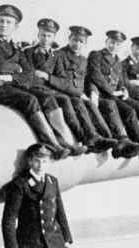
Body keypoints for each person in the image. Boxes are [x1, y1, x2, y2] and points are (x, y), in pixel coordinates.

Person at [0, 5, 70, 159]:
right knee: (29, 99)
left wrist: (10, 76)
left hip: (9, 86)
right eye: (1, 21)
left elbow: (30, 75)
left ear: (16, 26)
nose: (4, 25)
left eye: (8, 22)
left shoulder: (16, 48)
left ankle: (62, 139)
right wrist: (18, 68)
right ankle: (52, 145)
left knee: (46, 97)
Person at [25, 21, 116, 154]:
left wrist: (91, 92)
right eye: (43, 35)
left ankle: (99, 138)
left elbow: (65, 78)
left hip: (57, 89)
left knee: (87, 104)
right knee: (73, 102)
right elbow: (30, 74)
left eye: (49, 36)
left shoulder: (56, 55)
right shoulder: (33, 52)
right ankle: (84, 138)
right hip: (46, 90)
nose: (45, 39)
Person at [87, 30, 139, 160]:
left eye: (118, 45)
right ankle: (123, 142)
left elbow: (122, 80)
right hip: (103, 94)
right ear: (106, 42)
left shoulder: (118, 60)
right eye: (112, 43)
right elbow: (95, 76)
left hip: (115, 95)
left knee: (132, 111)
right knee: (113, 107)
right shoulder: (96, 55)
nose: (114, 46)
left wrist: (123, 89)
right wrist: (111, 91)